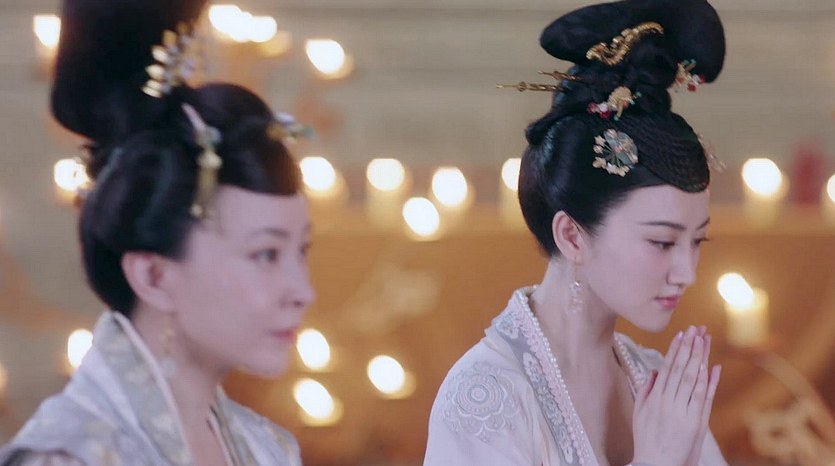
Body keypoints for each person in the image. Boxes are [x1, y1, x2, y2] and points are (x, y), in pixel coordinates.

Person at [0, 0, 314, 464]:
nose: (302, 292)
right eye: (266, 254)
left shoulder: (269, 449)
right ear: (154, 275)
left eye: (302, 251)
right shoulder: (68, 457)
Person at [424, 0, 729, 464]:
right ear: (571, 236)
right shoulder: (485, 397)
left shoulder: (657, 380)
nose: (687, 272)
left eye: (697, 241)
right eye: (662, 242)